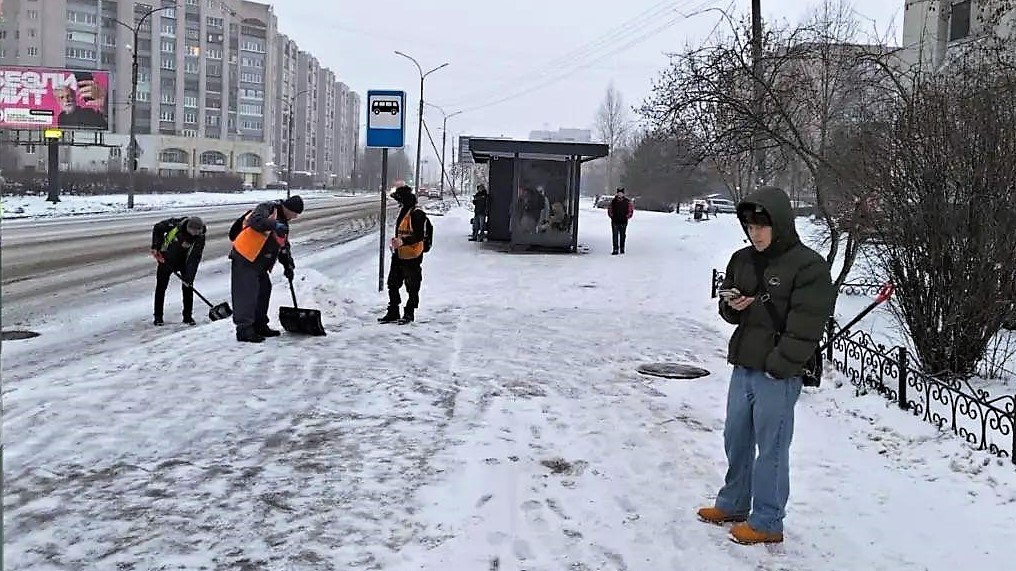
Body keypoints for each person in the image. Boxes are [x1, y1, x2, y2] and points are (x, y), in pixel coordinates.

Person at [697, 186, 835, 545]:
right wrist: (732, 307)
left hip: (777, 372)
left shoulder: (808, 267)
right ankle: (734, 503)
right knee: (736, 439)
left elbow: (807, 323)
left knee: (771, 448)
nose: (754, 232)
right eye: (749, 225)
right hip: (744, 363)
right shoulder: (742, 259)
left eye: (761, 225)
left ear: (780, 224)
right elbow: (727, 305)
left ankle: (768, 520)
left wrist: (780, 364)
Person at [228, 195, 304, 342]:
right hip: (245, 256)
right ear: (288, 208)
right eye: (294, 214)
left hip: (260, 262)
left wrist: (288, 265)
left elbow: (283, 246)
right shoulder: (268, 208)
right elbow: (255, 221)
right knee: (246, 294)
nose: (294, 217)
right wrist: (274, 224)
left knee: (264, 290)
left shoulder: (284, 223)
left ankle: (260, 325)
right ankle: (244, 330)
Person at [378, 185, 428, 324]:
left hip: (412, 255)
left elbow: (419, 235)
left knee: (412, 286)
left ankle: (409, 313)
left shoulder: (417, 213)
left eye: (399, 200)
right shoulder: (404, 210)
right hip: (399, 254)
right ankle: (393, 311)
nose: (398, 203)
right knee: (392, 284)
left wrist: (402, 241)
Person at [150, 216, 206, 326]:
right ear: (188, 227)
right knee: (161, 287)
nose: (194, 234)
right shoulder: (175, 225)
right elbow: (158, 228)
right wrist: (156, 247)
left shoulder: (200, 236)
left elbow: (195, 258)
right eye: (193, 231)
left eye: (197, 232)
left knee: (188, 287)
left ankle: (187, 316)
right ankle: (158, 316)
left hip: (185, 262)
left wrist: (188, 278)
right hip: (166, 259)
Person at [607, 187, 633, 255]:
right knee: (615, 235)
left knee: (622, 235)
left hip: (623, 221)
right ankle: (615, 249)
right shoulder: (613, 201)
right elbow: (610, 209)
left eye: (621, 193)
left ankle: (622, 248)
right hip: (615, 221)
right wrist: (611, 215)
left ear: (623, 194)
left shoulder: (627, 201)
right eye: (619, 193)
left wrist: (628, 216)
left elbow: (630, 210)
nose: (620, 195)